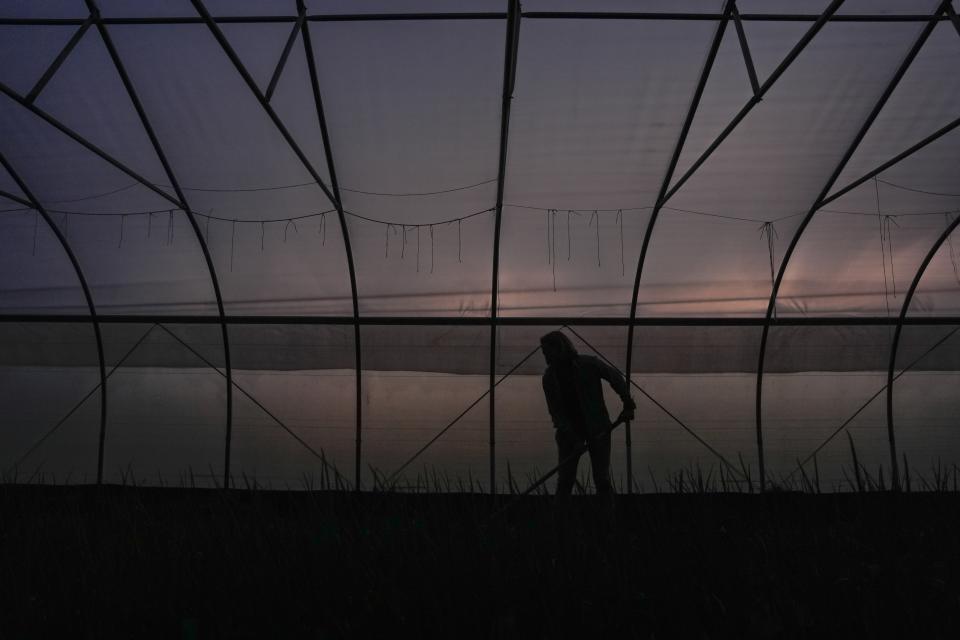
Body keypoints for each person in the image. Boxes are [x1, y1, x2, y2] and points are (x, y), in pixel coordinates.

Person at [540, 330, 636, 498]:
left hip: (598, 428)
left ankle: (606, 518)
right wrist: (573, 438)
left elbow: (614, 377)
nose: (546, 357)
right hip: (569, 434)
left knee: (602, 479)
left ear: (559, 349)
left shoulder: (588, 365)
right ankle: (560, 518)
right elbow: (556, 414)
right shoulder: (549, 378)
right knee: (565, 481)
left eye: (548, 352)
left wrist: (627, 401)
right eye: (544, 353)